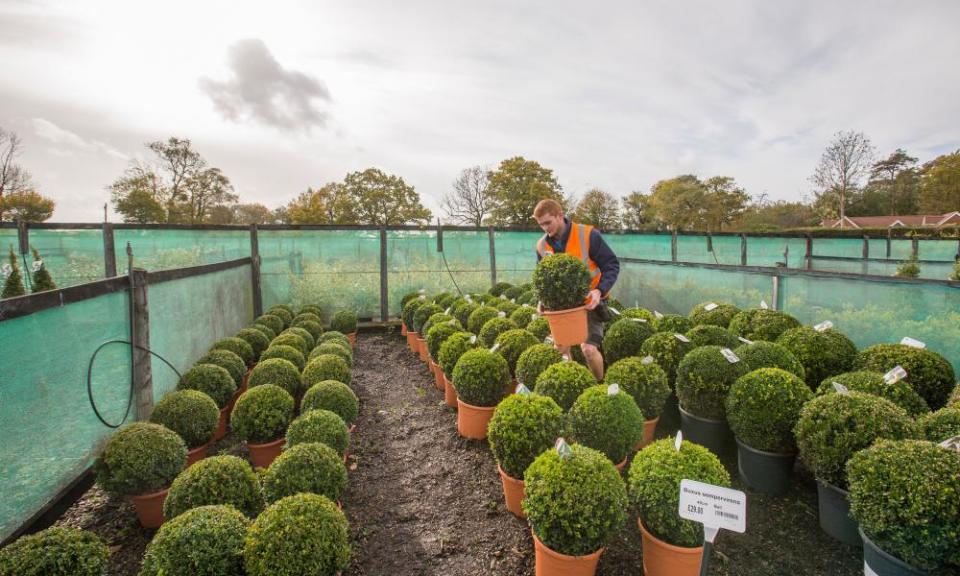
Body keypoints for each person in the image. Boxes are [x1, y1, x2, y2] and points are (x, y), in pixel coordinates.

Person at [533, 199, 620, 380]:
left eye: (548, 222)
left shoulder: (588, 235)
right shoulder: (542, 246)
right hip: (561, 305)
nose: (545, 228)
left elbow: (611, 265)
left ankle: (598, 386)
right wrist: (542, 301)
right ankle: (577, 384)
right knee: (561, 349)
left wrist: (599, 291)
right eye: (541, 225)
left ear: (560, 215)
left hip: (591, 301)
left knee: (588, 349)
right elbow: (543, 278)